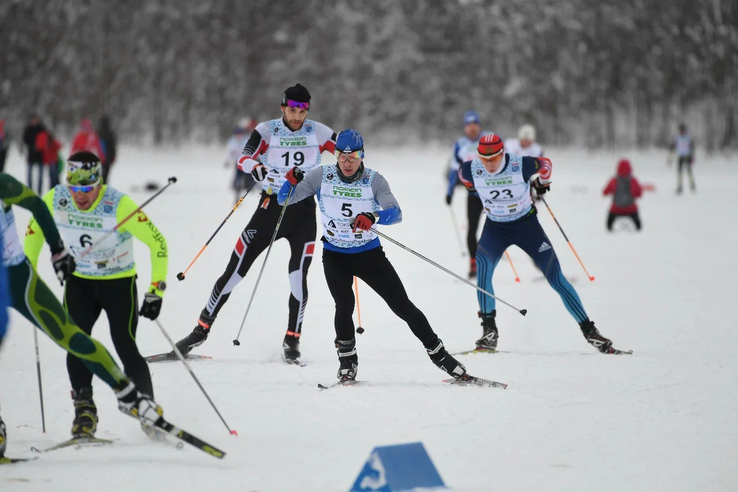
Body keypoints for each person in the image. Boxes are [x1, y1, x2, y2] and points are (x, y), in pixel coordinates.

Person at [277, 129, 468, 383]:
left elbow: (396, 212)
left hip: (369, 255)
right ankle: (347, 362)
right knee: (343, 306)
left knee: (402, 306)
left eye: (352, 156)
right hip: (335, 255)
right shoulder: (321, 176)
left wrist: (373, 216)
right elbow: (283, 200)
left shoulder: (374, 180)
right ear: (335, 155)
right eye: (341, 156)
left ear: (362, 154)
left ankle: (440, 355)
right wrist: (289, 182)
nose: (346, 161)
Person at [0, 172, 163, 460]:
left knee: (95, 340)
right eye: (76, 187)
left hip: (25, 276)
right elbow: (38, 220)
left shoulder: (116, 203)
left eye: (87, 187)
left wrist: (57, 250)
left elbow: (37, 206)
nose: (80, 194)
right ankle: (85, 411)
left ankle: (134, 398)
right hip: (75, 282)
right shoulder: (60, 197)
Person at [173, 84, 336, 362]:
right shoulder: (267, 130)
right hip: (269, 208)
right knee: (235, 271)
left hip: (303, 213)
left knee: (298, 276)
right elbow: (244, 157)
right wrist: (257, 167)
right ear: (283, 107)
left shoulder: (318, 131)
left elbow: (351, 152)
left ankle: (292, 339)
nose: (297, 116)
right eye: (292, 109)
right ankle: (201, 329)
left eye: (302, 110)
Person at [458, 133, 617, 354]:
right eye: (485, 160)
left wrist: (543, 183)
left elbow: (546, 164)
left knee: (555, 276)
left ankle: (590, 330)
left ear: (502, 153)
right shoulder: (470, 169)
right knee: (483, 272)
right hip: (495, 228)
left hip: (526, 226)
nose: (489, 164)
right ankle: (489, 331)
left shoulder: (519, 164)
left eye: (494, 158)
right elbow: (468, 183)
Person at [445, 111, 484, 277]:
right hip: (473, 194)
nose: (472, 128)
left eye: (474, 124)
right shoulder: (460, 144)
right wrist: (450, 191)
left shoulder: (487, 141)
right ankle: (473, 264)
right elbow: (455, 170)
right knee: (472, 229)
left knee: (497, 228)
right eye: (469, 125)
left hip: (491, 193)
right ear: (465, 127)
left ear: (479, 126)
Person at [603, 159, 643, 231]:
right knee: (637, 220)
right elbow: (639, 194)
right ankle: (638, 228)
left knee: (609, 220)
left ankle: (609, 228)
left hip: (616, 209)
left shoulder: (614, 180)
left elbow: (605, 192)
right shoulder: (633, 181)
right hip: (631, 209)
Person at [225, 117, 256, 203]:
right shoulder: (232, 141)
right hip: (237, 162)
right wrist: (227, 160)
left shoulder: (246, 139)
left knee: (248, 174)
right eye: (237, 134)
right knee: (238, 175)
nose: (239, 136)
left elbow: (251, 150)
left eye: (240, 134)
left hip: (246, 161)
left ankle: (249, 186)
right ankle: (236, 186)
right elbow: (229, 152)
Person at [34, 126, 63, 190]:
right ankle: (54, 189)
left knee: (54, 176)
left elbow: (59, 146)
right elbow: (39, 147)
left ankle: (55, 189)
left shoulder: (52, 142)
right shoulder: (44, 141)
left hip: (54, 161)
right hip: (50, 161)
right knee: (52, 176)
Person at [670, 123, 695, 193]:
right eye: (680, 130)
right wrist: (670, 158)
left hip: (687, 156)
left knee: (689, 171)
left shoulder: (688, 138)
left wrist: (692, 157)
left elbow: (692, 147)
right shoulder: (677, 138)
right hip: (680, 156)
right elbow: (673, 147)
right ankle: (679, 185)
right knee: (679, 171)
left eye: (682, 130)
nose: (681, 131)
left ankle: (692, 184)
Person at [22, 115, 45, 193]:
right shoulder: (28, 129)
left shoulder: (42, 129)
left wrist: (40, 146)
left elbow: (46, 139)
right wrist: (32, 146)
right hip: (31, 154)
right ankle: (30, 190)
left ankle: (39, 191)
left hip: (40, 155)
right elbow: (25, 139)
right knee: (29, 174)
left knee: (40, 175)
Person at [97, 116, 117, 184]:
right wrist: (113, 156)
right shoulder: (110, 133)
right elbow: (113, 146)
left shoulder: (98, 132)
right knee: (105, 176)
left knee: (99, 176)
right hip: (107, 158)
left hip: (99, 158)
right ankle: (104, 189)